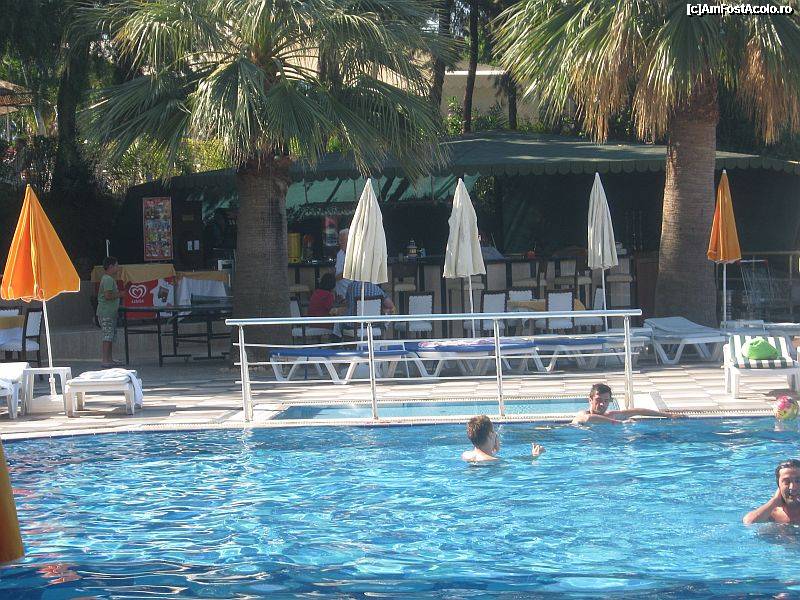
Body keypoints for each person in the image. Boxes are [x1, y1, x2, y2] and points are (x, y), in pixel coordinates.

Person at [571, 383, 680, 425]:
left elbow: (637, 411)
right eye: (598, 400)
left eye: (606, 401)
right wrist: (621, 423)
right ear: (590, 400)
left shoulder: (610, 415)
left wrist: (668, 415)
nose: (602, 404)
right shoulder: (582, 414)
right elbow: (589, 418)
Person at [743, 459, 800, 524]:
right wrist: (775, 500)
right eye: (786, 482)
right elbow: (748, 522)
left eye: (798, 481)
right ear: (779, 485)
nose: (793, 487)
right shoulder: (771, 513)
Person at [97, 256, 124, 368]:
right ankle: (105, 360)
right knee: (107, 336)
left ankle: (110, 359)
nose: (118, 268)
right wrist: (120, 294)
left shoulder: (108, 279)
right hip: (106, 313)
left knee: (110, 336)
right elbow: (108, 296)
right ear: (111, 266)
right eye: (116, 265)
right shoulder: (108, 279)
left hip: (110, 312)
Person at [334, 228, 351, 299]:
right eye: (339, 240)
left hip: (350, 292)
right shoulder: (340, 253)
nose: (340, 243)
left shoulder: (354, 254)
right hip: (340, 292)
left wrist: (332, 280)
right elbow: (337, 269)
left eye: (342, 241)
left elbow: (346, 273)